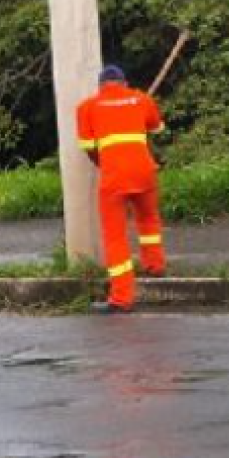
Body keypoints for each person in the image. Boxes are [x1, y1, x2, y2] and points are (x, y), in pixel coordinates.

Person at [77, 65, 166, 314]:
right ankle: (155, 266)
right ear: (124, 82)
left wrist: (101, 162)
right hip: (144, 170)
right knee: (149, 220)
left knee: (115, 236)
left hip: (114, 175)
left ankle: (122, 297)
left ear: (101, 86)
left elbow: (88, 147)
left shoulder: (86, 107)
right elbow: (156, 129)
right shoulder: (142, 99)